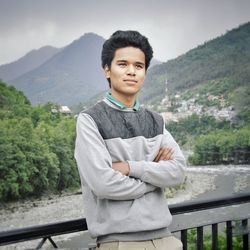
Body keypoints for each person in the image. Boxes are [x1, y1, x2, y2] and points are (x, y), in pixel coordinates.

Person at [75, 30, 186, 250]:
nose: (131, 72)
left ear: (145, 72)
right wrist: (154, 178)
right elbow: (103, 184)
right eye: (123, 64)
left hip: (166, 241)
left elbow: (178, 172)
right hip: (119, 243)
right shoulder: (90, 120)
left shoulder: (155, 121)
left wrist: (129, 167)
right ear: (107, 70)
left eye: (139, 66)